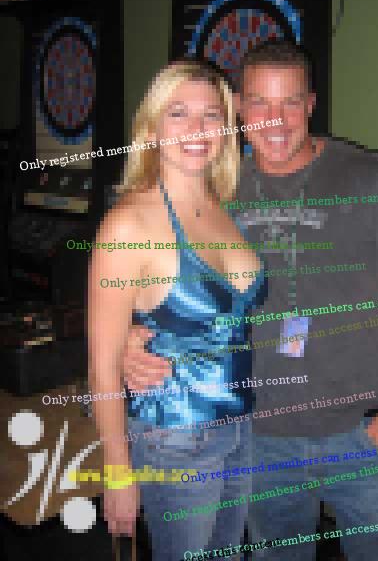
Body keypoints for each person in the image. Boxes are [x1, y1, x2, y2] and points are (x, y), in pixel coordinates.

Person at [122, 41, 378, 560]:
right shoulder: (214, 188)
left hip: (361, 432)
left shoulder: (371, 176)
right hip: (258, 435)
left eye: (290, 102)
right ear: (240, 109)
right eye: (260, 103)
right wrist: (132, 336)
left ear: (310, 104)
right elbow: (149, 270)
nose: (276, 120)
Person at [88, 60, 265, 561]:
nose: (197, 128)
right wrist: (117, 470)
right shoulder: (128, 225)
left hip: (239, 425)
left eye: (211, 115)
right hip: (174, 435)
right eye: (178, 113)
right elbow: (101, 364)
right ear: (151, 128)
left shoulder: (223, 206)